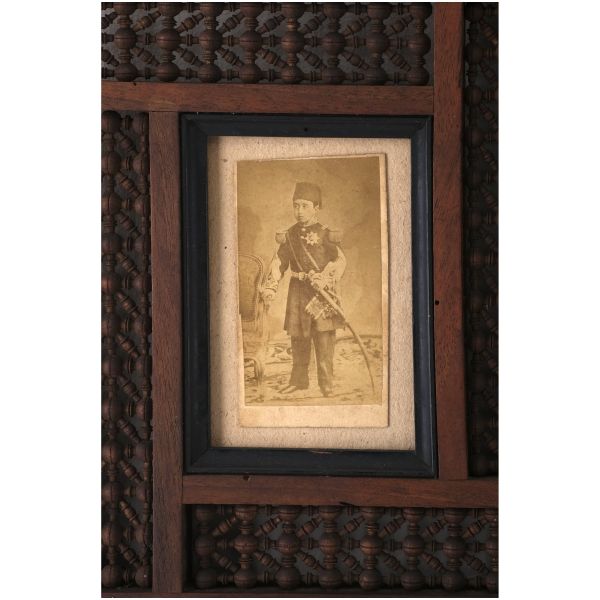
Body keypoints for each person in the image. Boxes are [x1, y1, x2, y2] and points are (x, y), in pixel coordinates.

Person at [262, 182, 346, 397]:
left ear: (316, 208)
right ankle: (298, 382)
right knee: (298, 338)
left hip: (321, 295)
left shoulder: (326, 234)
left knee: (324, 339)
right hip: (298, 293)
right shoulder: (289, 235)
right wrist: (271, 287)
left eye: (305, 206)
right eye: (296, 205)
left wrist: (325, 277)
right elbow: (279, 263)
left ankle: (327, 385)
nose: (299, 211)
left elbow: (340, 261)